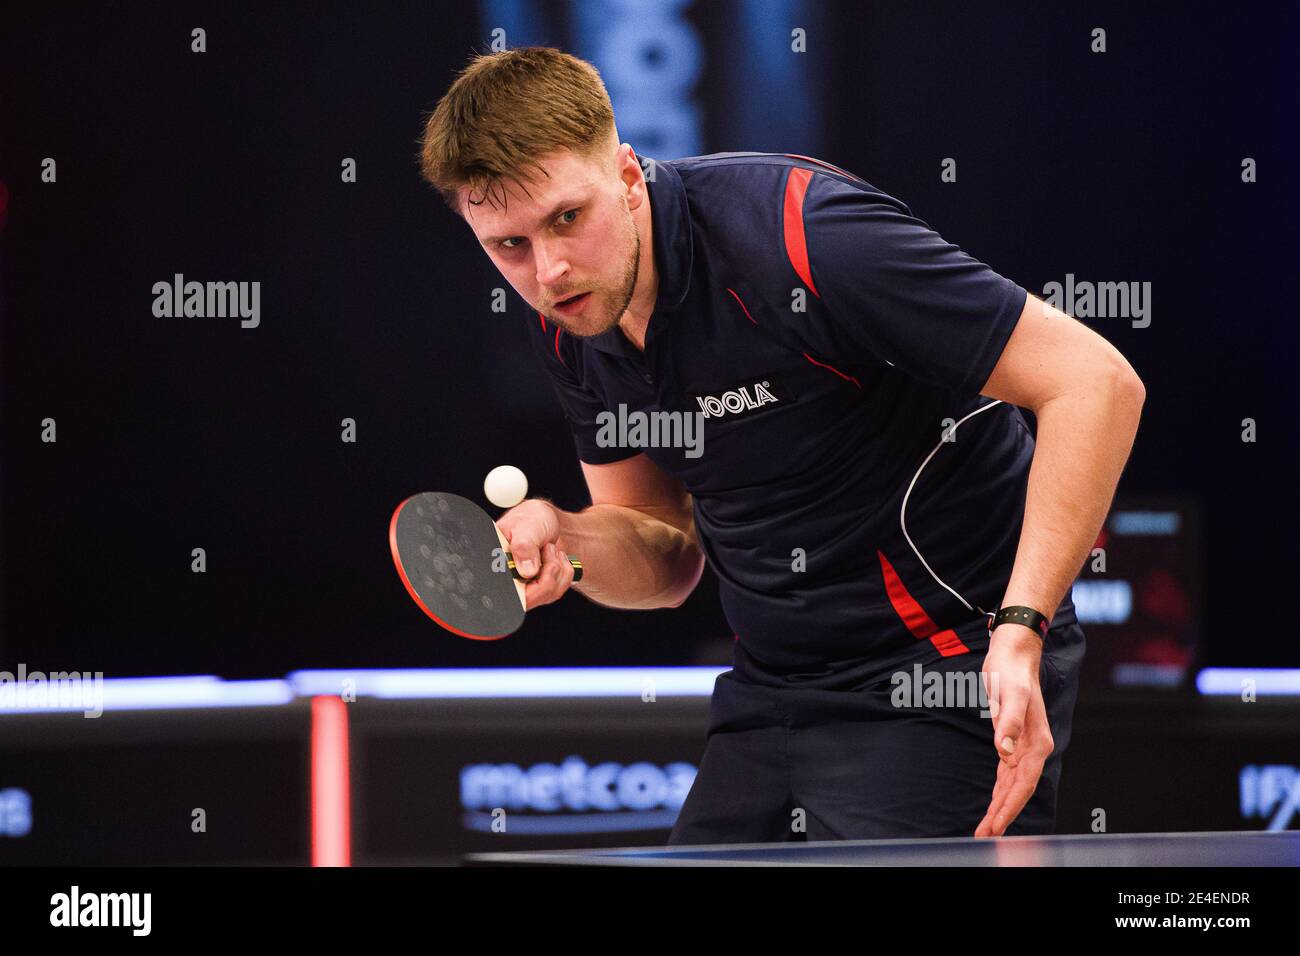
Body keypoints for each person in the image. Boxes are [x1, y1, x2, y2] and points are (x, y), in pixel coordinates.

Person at [417, 47, 1144, 841]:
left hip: (945, 665)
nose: (549, 268)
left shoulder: (804, 235)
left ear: (628, 176)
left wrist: (1023, 626)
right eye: (507, 245)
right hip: (771, 689)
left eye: (567, 217)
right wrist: (570, 542)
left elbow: (1095, 384)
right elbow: (665, 554)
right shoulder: (569, 319)